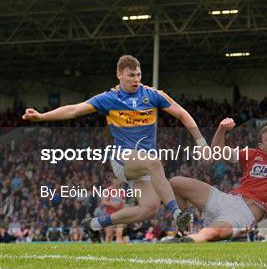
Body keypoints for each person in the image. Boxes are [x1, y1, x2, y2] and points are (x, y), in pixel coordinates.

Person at [22, 55, 207, 242]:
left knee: (149, 208)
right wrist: (42, 116)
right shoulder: (110, 98)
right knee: (154, 161)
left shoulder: (152, 95)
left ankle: (94, 224)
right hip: (122, 159)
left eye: (139, 75)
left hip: (144, 165)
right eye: (131, 75)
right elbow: (74, 110)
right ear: (119, 74)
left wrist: (201, 142)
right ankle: (177, 215)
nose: (136, 79)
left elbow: (182, 113)